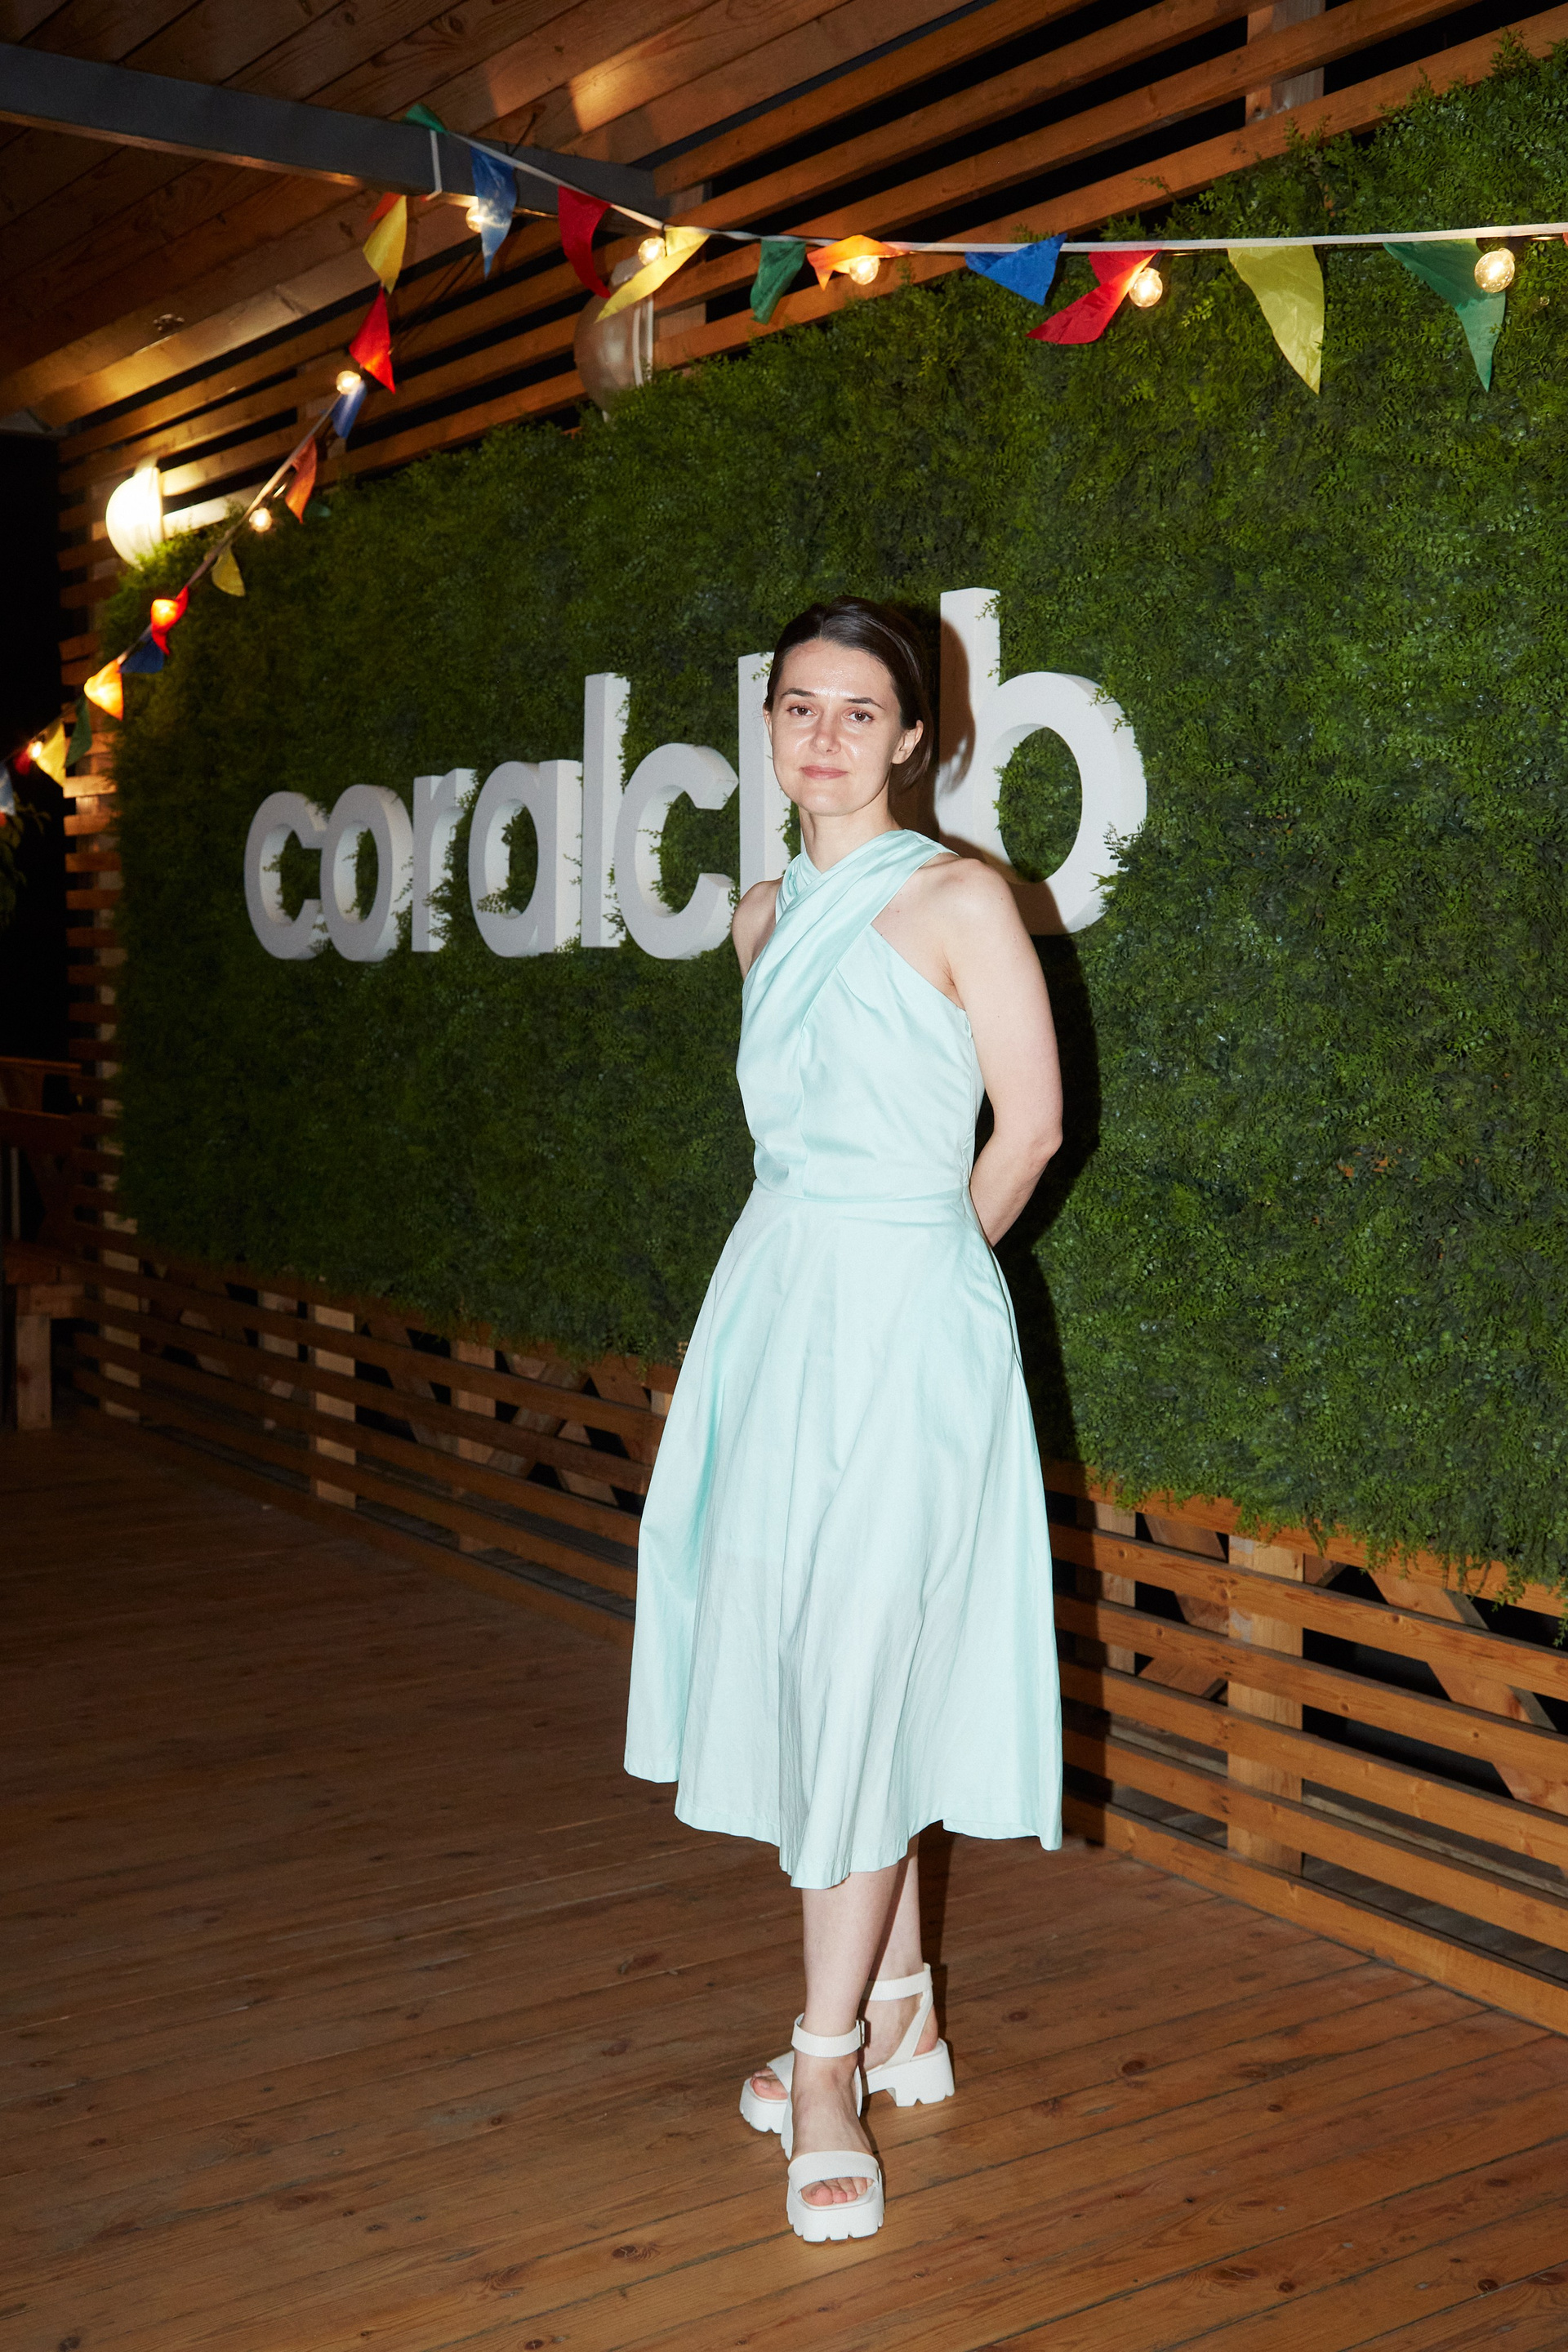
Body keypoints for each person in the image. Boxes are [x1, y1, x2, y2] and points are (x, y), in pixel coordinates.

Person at [624, 595, 1063, 2243]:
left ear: (916, 736)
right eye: (799, 706)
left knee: (868, 1657)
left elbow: (1031, 1128)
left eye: (860, 711)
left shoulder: (960, 899)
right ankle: (902, 2015)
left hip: (904, 1323)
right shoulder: (759, 918)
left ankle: (825, 2068)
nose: (825, 736)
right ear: (770, 726)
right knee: (813, 1655)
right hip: (773, 1308)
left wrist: (926, 1281)